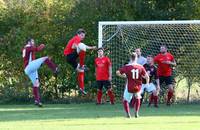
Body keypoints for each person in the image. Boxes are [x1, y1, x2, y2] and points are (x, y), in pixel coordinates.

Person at [22, 38, 58, 107]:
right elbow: (37, 49)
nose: (33, 42)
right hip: (30, 66)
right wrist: (42, 46)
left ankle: (37, 101)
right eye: (32, 41)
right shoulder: (28, 46)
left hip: (29, 69)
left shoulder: (26, 48)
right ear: (28, 42)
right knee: (45, 58)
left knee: (36, 84)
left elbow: (32, 55)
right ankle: (55, 69)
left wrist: (40, 63)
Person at [116, 53, 149, 118]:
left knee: (125, 100)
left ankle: (128, 114)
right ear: (136, 58)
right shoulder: (141, 67)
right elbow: (147, 77)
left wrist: (123, 76)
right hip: (138, 87)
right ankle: (136, 113)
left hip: (129, 86)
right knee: (138, 97)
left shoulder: (127, 66)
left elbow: (117, 72)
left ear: (130, 58)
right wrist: (147, 84)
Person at [63, 29, 96, 94]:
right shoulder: (77, 38)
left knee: (81, 71)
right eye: (82, 35)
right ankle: (81, 65)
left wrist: (92, 47)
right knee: (81, 45)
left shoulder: (76, 39)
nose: (83, 37)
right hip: (70, 56)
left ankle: (81, 88)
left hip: (69, 59)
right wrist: (78, 46)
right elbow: (73, 46)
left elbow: (82, 46)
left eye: (84, 35)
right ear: (78, 34)